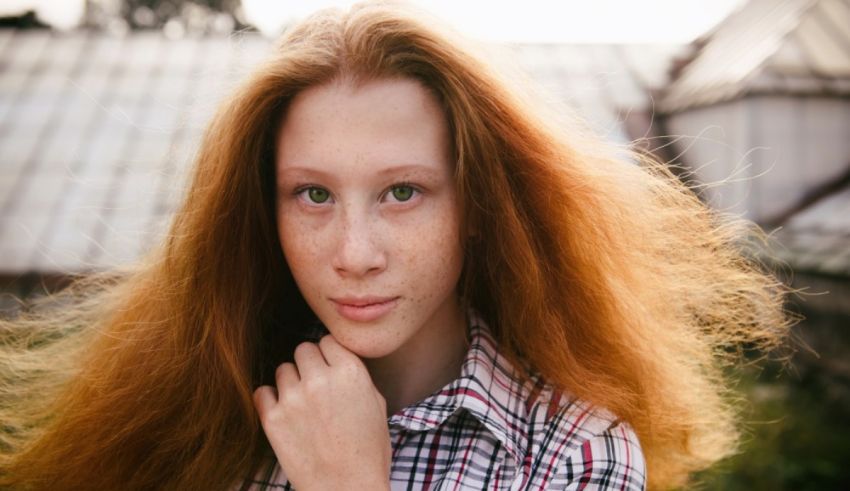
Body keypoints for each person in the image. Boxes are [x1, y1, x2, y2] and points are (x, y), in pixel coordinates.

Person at [0, 2, 790, 490]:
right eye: (313, 194)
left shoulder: (572, 457)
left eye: (402, 191)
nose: (354, 251)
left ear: (478, 206)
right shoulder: (194, 411)